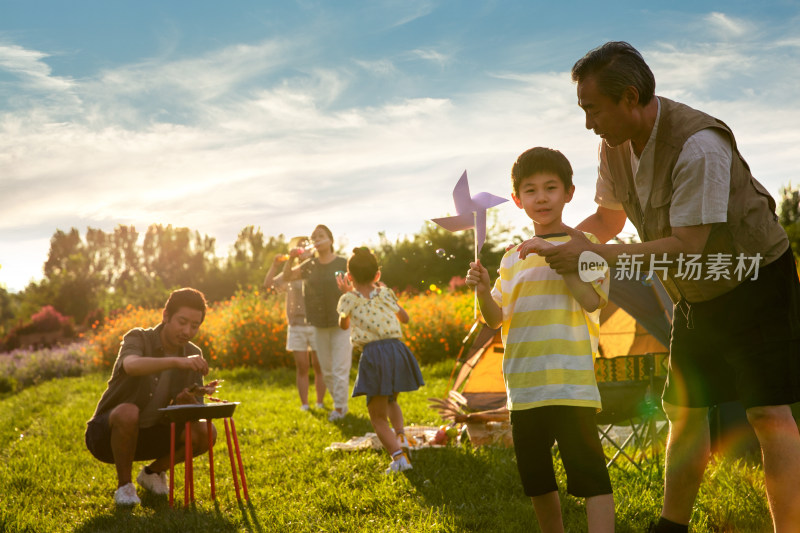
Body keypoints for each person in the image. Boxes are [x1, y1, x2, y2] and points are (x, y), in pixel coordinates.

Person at [539, 41, 800, 532]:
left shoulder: (699, 145)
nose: (588, 123)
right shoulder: (612, 147)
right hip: (695, 292)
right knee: (684, 408)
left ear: (630, 98)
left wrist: (592, 255)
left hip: (753, 277)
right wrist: (557, 240)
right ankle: (671, 526)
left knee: (766, 412)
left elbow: (687, 245)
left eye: (592, 109)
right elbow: (609, 218)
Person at [466, 147, 615, 533]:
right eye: (530, 190)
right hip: (525, 385)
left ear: (569, 192)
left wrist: (556, 256)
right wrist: (483, 289)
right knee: (536, 477)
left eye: (551, 187)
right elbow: (495, 318)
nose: (542, 197)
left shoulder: (588, 245)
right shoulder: (511, 258)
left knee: (591, 476)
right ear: (517, 200)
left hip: (571, 385)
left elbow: (591, 300)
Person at [84, 288, 217, 506]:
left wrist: (188, 403)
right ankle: (124, 488)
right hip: (107, 436)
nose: (187, 331)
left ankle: (152, 473)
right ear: (166, 315)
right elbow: (132, 365)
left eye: (194, 326)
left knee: (206, 431)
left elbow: (193, 413)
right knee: (129, 411)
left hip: (156, 435)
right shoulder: (139, 338)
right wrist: (177, 362)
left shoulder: (192, 352)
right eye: (182, 322)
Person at [336, 247, 424, 474]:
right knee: (391, 400)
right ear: (377, 275)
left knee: (377, 416)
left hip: (375, 355)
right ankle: (401, 437)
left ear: (349, 277)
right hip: (397, 350)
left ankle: (399, 458)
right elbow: (404, 318)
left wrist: (348, 296)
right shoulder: (385, 293)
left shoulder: (348, 299)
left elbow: (343, 325)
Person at [283, 225, 352, 421]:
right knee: (327, 370)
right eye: (314, 237)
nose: (317, 239)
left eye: (321, 235)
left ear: (330, 240)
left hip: (341, 322)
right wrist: (290, 258)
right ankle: (340, 405)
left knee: (340, 368)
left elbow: (356, 286)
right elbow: (288, 276)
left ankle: (340, 408)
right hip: (317, 323)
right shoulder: (309, 265)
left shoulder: (343, 262)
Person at [263, 236, 327, 412]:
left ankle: (320, 403)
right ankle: (305, 404)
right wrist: (276, 264)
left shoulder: (317, 269)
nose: (302, 249)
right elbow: (268, 285)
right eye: (298, 247)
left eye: (304, 246)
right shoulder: (291, 272)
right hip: (296, 325)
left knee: (319, 366)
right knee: (302, 366)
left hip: (316, 324)